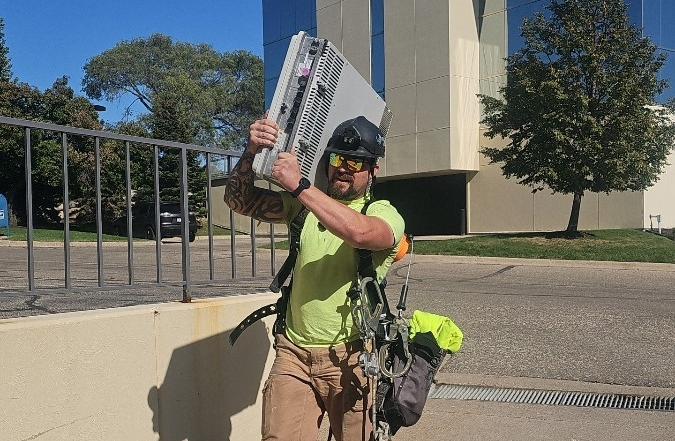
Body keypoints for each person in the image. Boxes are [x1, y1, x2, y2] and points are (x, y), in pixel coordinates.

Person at [224, 115, 405, 441]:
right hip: (293, 354)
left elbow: (359, 233)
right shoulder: (303, 207)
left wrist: (299, 185)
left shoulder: (382, 212)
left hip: (349, 359)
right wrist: (252, 150)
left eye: (356, 161)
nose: (344, 167)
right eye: (338, 158)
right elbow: (239, 200)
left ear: (373, 170)